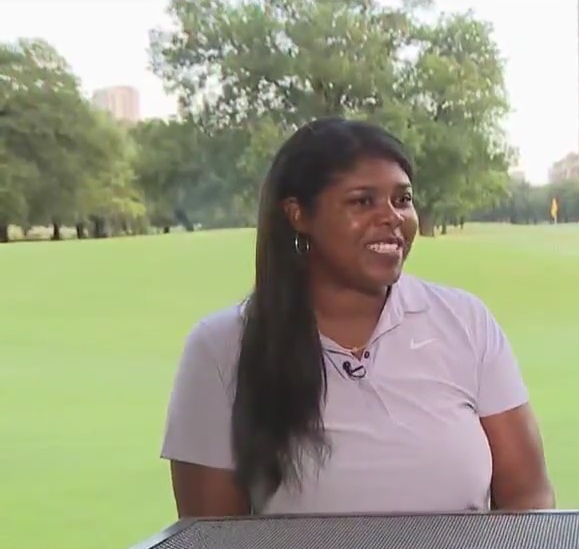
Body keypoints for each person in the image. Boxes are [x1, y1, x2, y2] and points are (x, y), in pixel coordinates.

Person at [160, 117, 555, 517]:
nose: (392, 217)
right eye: (363, 201)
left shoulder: (466, 321)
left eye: (402, 199)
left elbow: (528, 498)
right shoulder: (221, 347)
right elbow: (210, 536)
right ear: (298, 215)